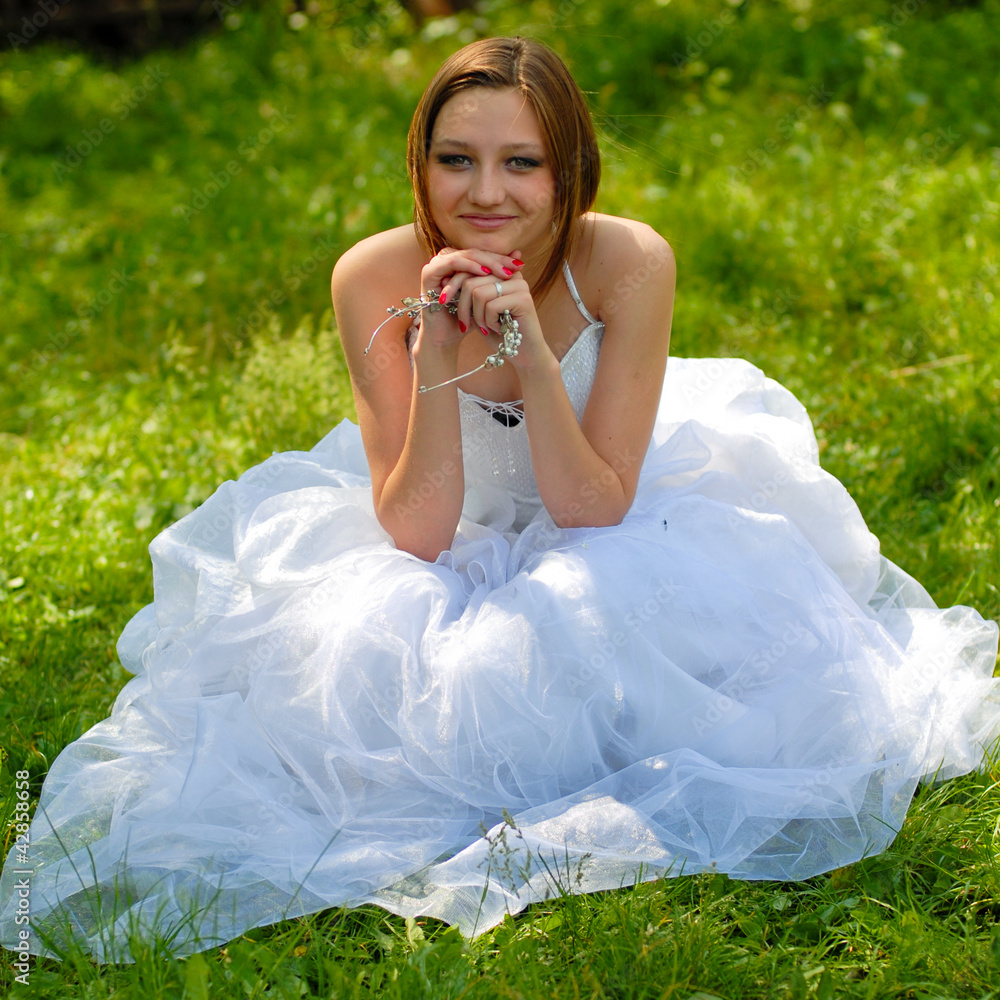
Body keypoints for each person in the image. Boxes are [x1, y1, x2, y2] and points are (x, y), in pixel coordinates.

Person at [2, 36, 998, 963]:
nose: (485, 193)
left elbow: (593, 505)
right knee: (380, 687)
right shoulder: (371, 277)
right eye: (455, 160)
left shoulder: (628, 261)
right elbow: (420, 530)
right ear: (420, 163)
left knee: (640, 647)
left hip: (612, 509)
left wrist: (524, 351)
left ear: (569, 171)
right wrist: (438, 351)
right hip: (449, 527)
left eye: (521, 163)